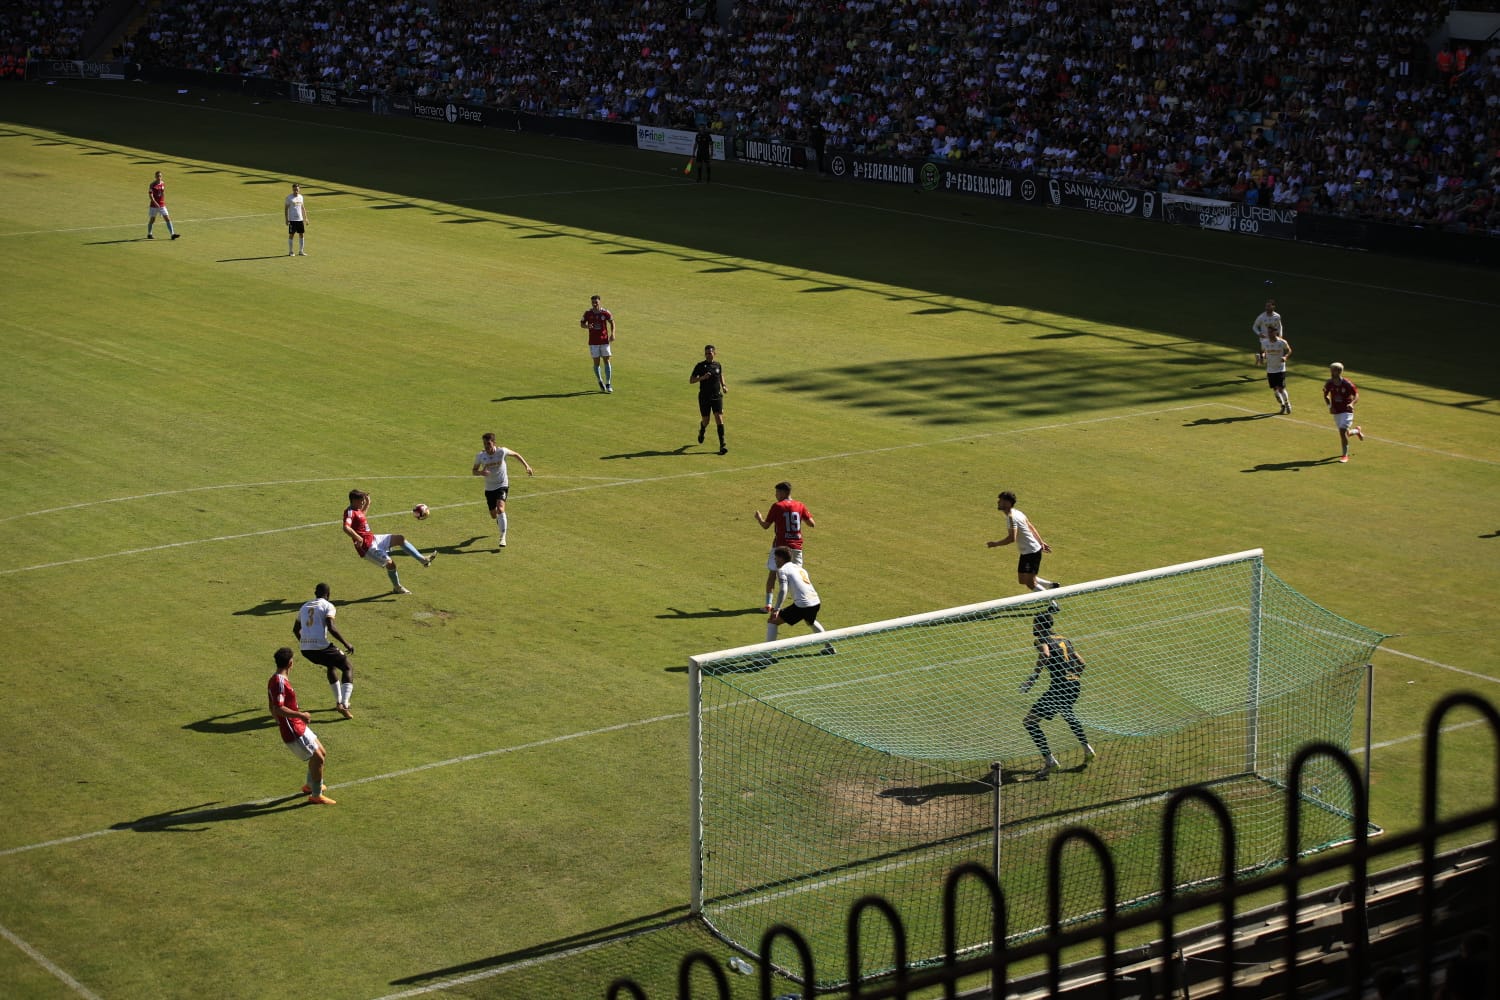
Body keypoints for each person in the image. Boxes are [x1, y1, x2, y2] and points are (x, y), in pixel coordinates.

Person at [1020, 606, 1095, 777]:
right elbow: (1082, 662)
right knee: (1067, 711)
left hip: (1058, 688)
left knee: (1030, 722)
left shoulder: (1041, 640)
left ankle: (1050, 762)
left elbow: (1045, 655)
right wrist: (1074, 676)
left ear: (1039, 626)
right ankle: (1087, 748)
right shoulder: (1064, 638)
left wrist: (1033, 677)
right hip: (1074, 685)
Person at [268, 646, 336, 804]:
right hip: (293, 728)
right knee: (317, 758)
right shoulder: (279, 682)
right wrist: (300, 715)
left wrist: (279, 718)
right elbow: (278, 707)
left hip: (297, 725)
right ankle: (316, 795)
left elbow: (271, 706)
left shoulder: (276, 679)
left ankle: (310, 785)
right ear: (291, 663)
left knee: (321, 752)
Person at [342, 489, 434, 594]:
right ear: (354, 500)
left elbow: (361, 516)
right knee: (391, 564)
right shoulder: (349, 512)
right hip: (367, 547)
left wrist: (367, 503)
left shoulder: (357, 510)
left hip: (374, 539)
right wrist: (358, 538)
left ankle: (423, 560)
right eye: (361, 500)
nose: (362, 502)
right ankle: (397, 587)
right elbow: (346, 527)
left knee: (400, 539)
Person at [291, 582, 356, 719]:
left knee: (330, 664)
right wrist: (346, 643)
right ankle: (344, 704)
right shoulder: (328, 606)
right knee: (347, 667)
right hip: (321, 646)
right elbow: (331, 627)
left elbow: (295, 629)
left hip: (306, 650)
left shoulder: (304, 607)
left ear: (315, 593)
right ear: (328, 594)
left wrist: (305, 642)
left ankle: (338, 701)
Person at [754, 481, 815, 612]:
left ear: (783, 492)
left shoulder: (777, 506)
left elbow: (766, 526)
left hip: (780, 547)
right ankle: (804, 602)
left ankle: (768, 605)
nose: (776, 495)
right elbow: (811, 524)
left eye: (777, 492)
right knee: (797, 576)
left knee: (773, 573)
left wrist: (759, 518)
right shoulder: (800, 505)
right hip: (796, 547)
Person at [766, 546, 835, 653]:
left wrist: (777, 609)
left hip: (803, 605)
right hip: (816, 602)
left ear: (781, 558)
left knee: (772, 621)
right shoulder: (800, 568)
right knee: (810, 621)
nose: (775, 561)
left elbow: (783, 590)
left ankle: (766, 657)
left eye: (776, 558)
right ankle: (829, 647)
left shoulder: (782, 570)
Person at [987, 491, 1059, 592]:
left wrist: (995, 544)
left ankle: (1052, 603)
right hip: (1028, 551)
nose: (998, 502)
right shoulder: (1018, 512)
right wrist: (1041, 542)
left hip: (1031, 552)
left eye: (1001, 501)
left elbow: (1012, 538)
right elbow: (1031, 527)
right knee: (1022, 579)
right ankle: (1051, 585)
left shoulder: (1011, 518)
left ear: (1007, 503)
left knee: (1030, 583)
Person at [472, 431, 534, 548]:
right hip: (489, 488)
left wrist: (527, 466)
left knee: (500, 509)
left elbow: (516, 454)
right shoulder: (480, 456)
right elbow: (473, 471)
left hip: (502, 485)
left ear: (494, 443)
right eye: (485, 444)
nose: (487, 447)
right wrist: (481, 472)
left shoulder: (502, 451)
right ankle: (500, 521)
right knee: (494, 515)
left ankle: (502, 537)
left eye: (488, 444)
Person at [1322, 362, 1365, 464]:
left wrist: (1352, 404)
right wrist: (1330, 406)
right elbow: (1326, 395)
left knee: (1342, 431)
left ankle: (1345, 455)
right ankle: (1356, 431)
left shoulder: (1347, 383)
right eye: (1331, 370)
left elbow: (1356, 395)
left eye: (1333, 370)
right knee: (1345, 433)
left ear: (1339, 371)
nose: (1331, 372)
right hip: (1336, 411)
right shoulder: (1329, 383)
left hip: (1347, 410)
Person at [689, 344, 727, 454]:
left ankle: (722, 445)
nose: (708, 355)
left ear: (714, 353)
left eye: (710, 353)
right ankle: (702, 429)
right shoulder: (700, 366)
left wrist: (724, 385)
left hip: (716, 396)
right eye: (706, 353)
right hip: (704, 397)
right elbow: (691, 380)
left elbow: (720, 375)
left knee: (719, 418)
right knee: (706, 420)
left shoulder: (717, 365)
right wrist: (702, 378)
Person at [579, 294, 615, 392]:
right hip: (593, 342)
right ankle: (600, 380)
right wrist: (587, 326)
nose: (594, 304)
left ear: (600, 302)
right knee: (596, 362)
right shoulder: (588, 313)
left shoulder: (605, 312)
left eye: (596, 302)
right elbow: (581, 324)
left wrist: (612, 334)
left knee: (607, 361)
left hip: (604, 341)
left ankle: (608, 383)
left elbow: (612, 322)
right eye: (593, 303)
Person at [1256, 321, 1293, 414]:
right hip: (1270, 369)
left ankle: (1287, 404)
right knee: (1275, 389)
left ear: (1275, 332)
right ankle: (1282, 406)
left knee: (1281, 388)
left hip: (1280, 368)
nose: (1269, 334)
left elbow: (1289, 350)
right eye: (1268, 332)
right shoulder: (1264, 342)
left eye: (1271, 332)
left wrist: (1285, 357)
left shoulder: (1282, 342)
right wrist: (1262, 357)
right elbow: (1262, 352)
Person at [146, 170, 179, 240]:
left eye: (160, 176)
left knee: (167, 218)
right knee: (152, 219)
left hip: (162, 205)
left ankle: (172, 234)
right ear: (155, 177)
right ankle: (149, 234)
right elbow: (150, 196)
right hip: (153, 206)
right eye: (158, 176)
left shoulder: (163, 183)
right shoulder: (152, 185)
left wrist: (162, 202)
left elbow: (162, 193)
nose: (159, 177)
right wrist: (155, 203)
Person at [284, 182, 307, 256]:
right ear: (292, 189)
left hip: (300, 220)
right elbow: (286, 209)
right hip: (292, 220)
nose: (295, 191)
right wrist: (286, 219)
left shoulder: (301, 197)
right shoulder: (289, 198)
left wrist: (305, 218)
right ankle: (291, 251)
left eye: (297, 189)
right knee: (291, 235)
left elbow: (303, 208)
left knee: (301, 234)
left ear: (299, 189)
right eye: (294, 189)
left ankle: (301, 251)